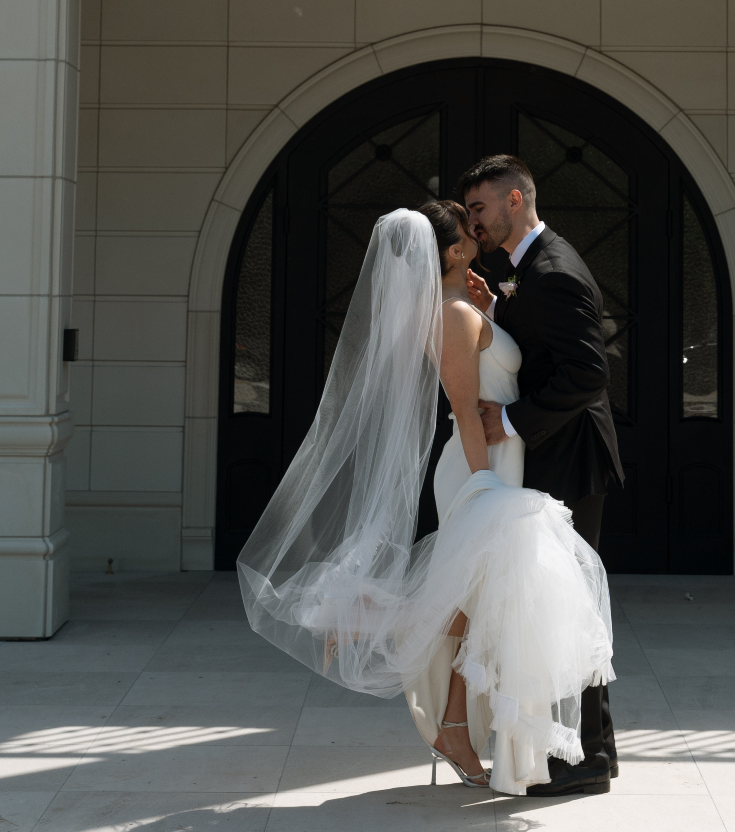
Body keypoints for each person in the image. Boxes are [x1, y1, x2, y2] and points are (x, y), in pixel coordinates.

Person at [237, 204, 614, 798]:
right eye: (468, 232)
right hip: (480, 469)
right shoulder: (453, 314)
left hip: (493, 464)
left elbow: (489, 377)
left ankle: (454, 728)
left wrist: (494, 312)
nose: (478, 234)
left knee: (482, 606)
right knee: (476, 603)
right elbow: (467, 411)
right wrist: (487, 486)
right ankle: (368, 613)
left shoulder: (460, 309)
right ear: (451, 251)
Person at [459, 154, 623, 797]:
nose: (474, 220)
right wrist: (498, 303)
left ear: (516, 201)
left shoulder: (552, 271)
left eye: (480, 208)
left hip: (569, 457)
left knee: (568, 608)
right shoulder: (529, 266)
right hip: (559, 454)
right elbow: (546, 343)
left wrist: (515, 419)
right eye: (468, 210)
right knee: (565, 605)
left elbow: (589, 374)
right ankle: (594, 752)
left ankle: (585, 760)